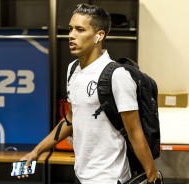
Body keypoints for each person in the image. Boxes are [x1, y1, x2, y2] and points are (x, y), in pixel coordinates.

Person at [18, 3, 159, 184]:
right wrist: (36, 152)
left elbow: (135, 132)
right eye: (70, 29)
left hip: (109, 177)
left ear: (99, 36)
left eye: (80, 30)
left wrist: (152, 177)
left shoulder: (117, 76)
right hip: (81, 173)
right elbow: (70, 119)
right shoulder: (73, 69)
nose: (71, 35)